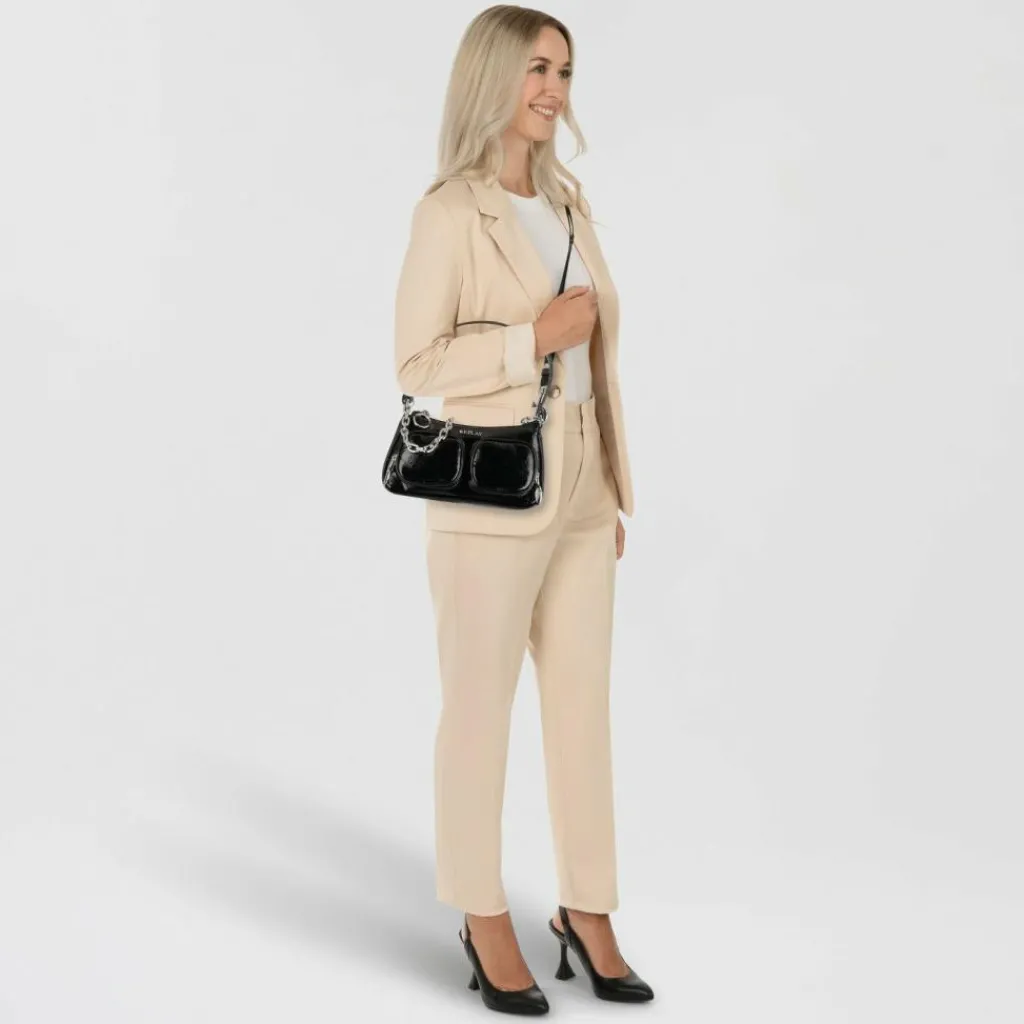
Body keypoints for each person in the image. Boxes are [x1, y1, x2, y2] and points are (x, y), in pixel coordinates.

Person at [392, 5, 653, 1014]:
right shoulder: (450, 212)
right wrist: (527, 339)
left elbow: (598, 358)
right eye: (537, 68)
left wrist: (606, 484)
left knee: (583, 709)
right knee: (480, 709)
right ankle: (481, 909)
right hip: (491, 490)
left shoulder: (567, 202)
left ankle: (587, 906)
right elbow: (416, 363)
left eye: (565, 72)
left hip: (583, 484)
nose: (553, 89)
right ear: (492, 76)